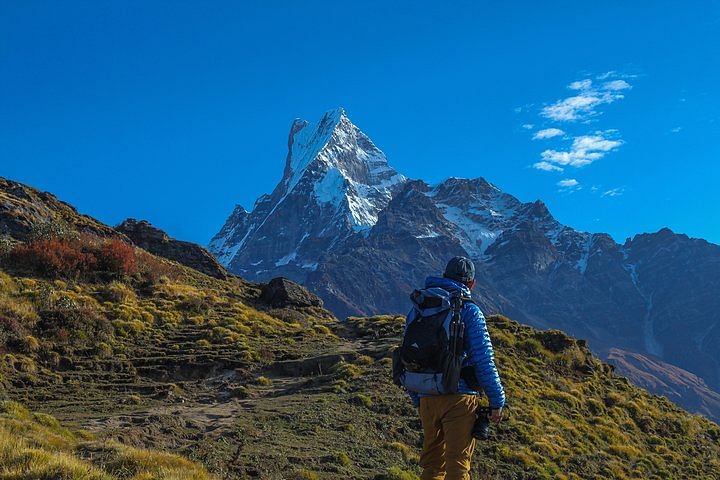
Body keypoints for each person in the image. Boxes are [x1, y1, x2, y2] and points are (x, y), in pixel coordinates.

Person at [406, 256, 506, 480]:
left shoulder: (419, 308)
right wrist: (497, 401)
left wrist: (418, 397)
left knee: (432, 467)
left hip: (427, 397)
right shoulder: (470, 311)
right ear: (471, 284)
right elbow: (483, 359)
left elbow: (408, 355)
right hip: (459, 397)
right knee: (458, 466)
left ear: (444, 277)